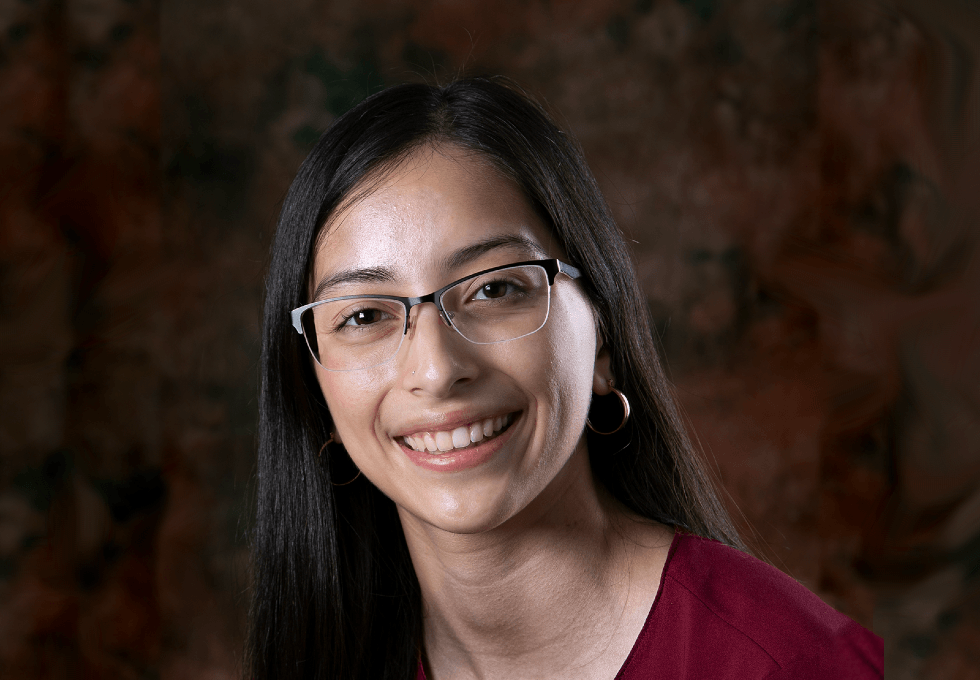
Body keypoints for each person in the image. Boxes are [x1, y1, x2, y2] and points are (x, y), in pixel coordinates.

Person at [247, 77, 883, 680]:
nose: (437, 370)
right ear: (316, 393)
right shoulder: (324, 660)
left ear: (601, 335)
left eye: (495, 289)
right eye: (363, 315)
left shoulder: (794, 663)